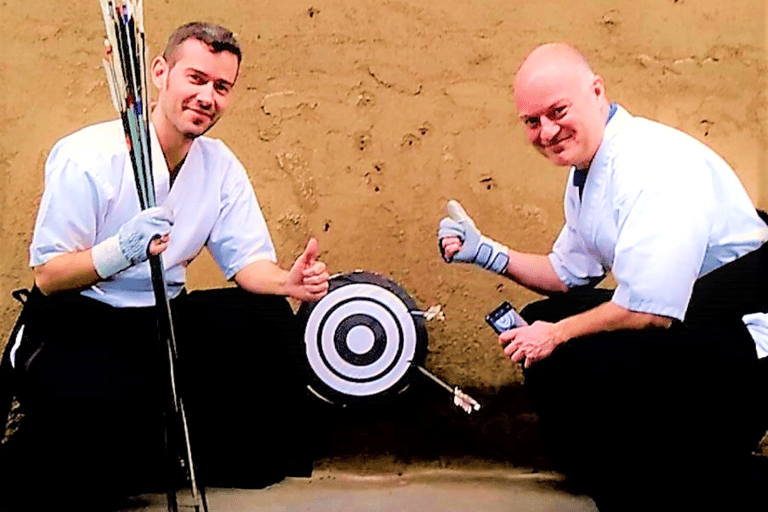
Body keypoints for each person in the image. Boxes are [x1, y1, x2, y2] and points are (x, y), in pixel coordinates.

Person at [0, 22, 329, 509]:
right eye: (195, 78)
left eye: (221, 87)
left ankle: (179, 450)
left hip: (161, 317)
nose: (206, 97)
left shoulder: (219, 166)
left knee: (266, 318)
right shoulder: (86, 156)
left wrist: (288, 281)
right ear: (161, 73)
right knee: (87, 467)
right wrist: (121, 250)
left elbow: (246, 265)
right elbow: (49, 277)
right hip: (82, 317)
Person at [439, 43, 768, 511]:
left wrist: (555, 335)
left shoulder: (649, 168)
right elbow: (566, 273)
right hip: (692, 326)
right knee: (541, 318)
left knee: (565, 341)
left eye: (557, 111)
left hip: (742, 349)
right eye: (531, 122)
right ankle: (612, 465)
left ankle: (680, 467)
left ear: (596, 92)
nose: (546, 131)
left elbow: (649, 312)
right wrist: (487, 252)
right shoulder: (590, 170)